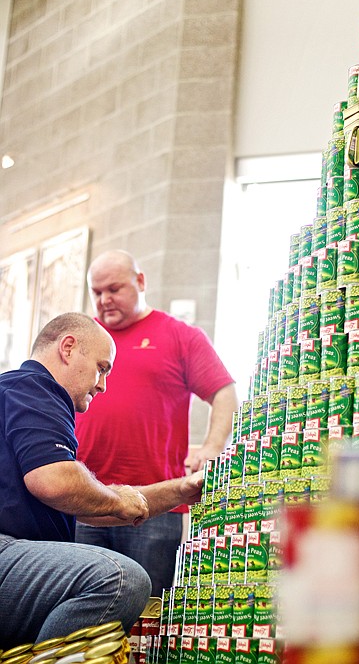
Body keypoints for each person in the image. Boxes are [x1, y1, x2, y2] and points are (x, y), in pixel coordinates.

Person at [0, 312, 204, 648]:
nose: (102, 384)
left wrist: (178, 490)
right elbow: (56, 483)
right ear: (68, 348)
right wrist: (121, 500)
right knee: (122, 579)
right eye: (102, 367)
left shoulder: (18, 393)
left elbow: (86, 502)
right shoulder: (37, 387)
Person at [75, 250, 238, 594]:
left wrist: (211, 447)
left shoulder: (180, 336)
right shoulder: (84, 338)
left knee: (146, 614)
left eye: (114, 289)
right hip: (85, 503)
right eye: (97, 292)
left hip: (155, 506)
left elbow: (223, 392)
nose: (105, 300)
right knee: (82, 617)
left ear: (141, 281)